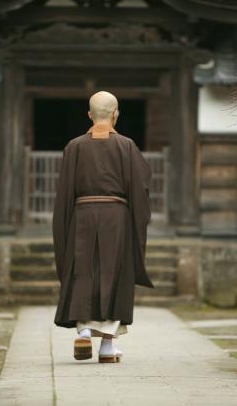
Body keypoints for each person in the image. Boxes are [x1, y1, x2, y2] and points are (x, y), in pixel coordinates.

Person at [52, 90, 153, 364]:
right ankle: (107, 348)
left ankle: (83, 332)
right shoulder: (127, 146)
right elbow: (140, 187)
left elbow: (64, 193)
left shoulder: (74, 146)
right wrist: (136, 219)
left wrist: (64, 225)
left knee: (83, 271)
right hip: (116, 217)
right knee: (114, 273)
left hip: (82, 215)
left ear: (89, 115)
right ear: (115, 114)